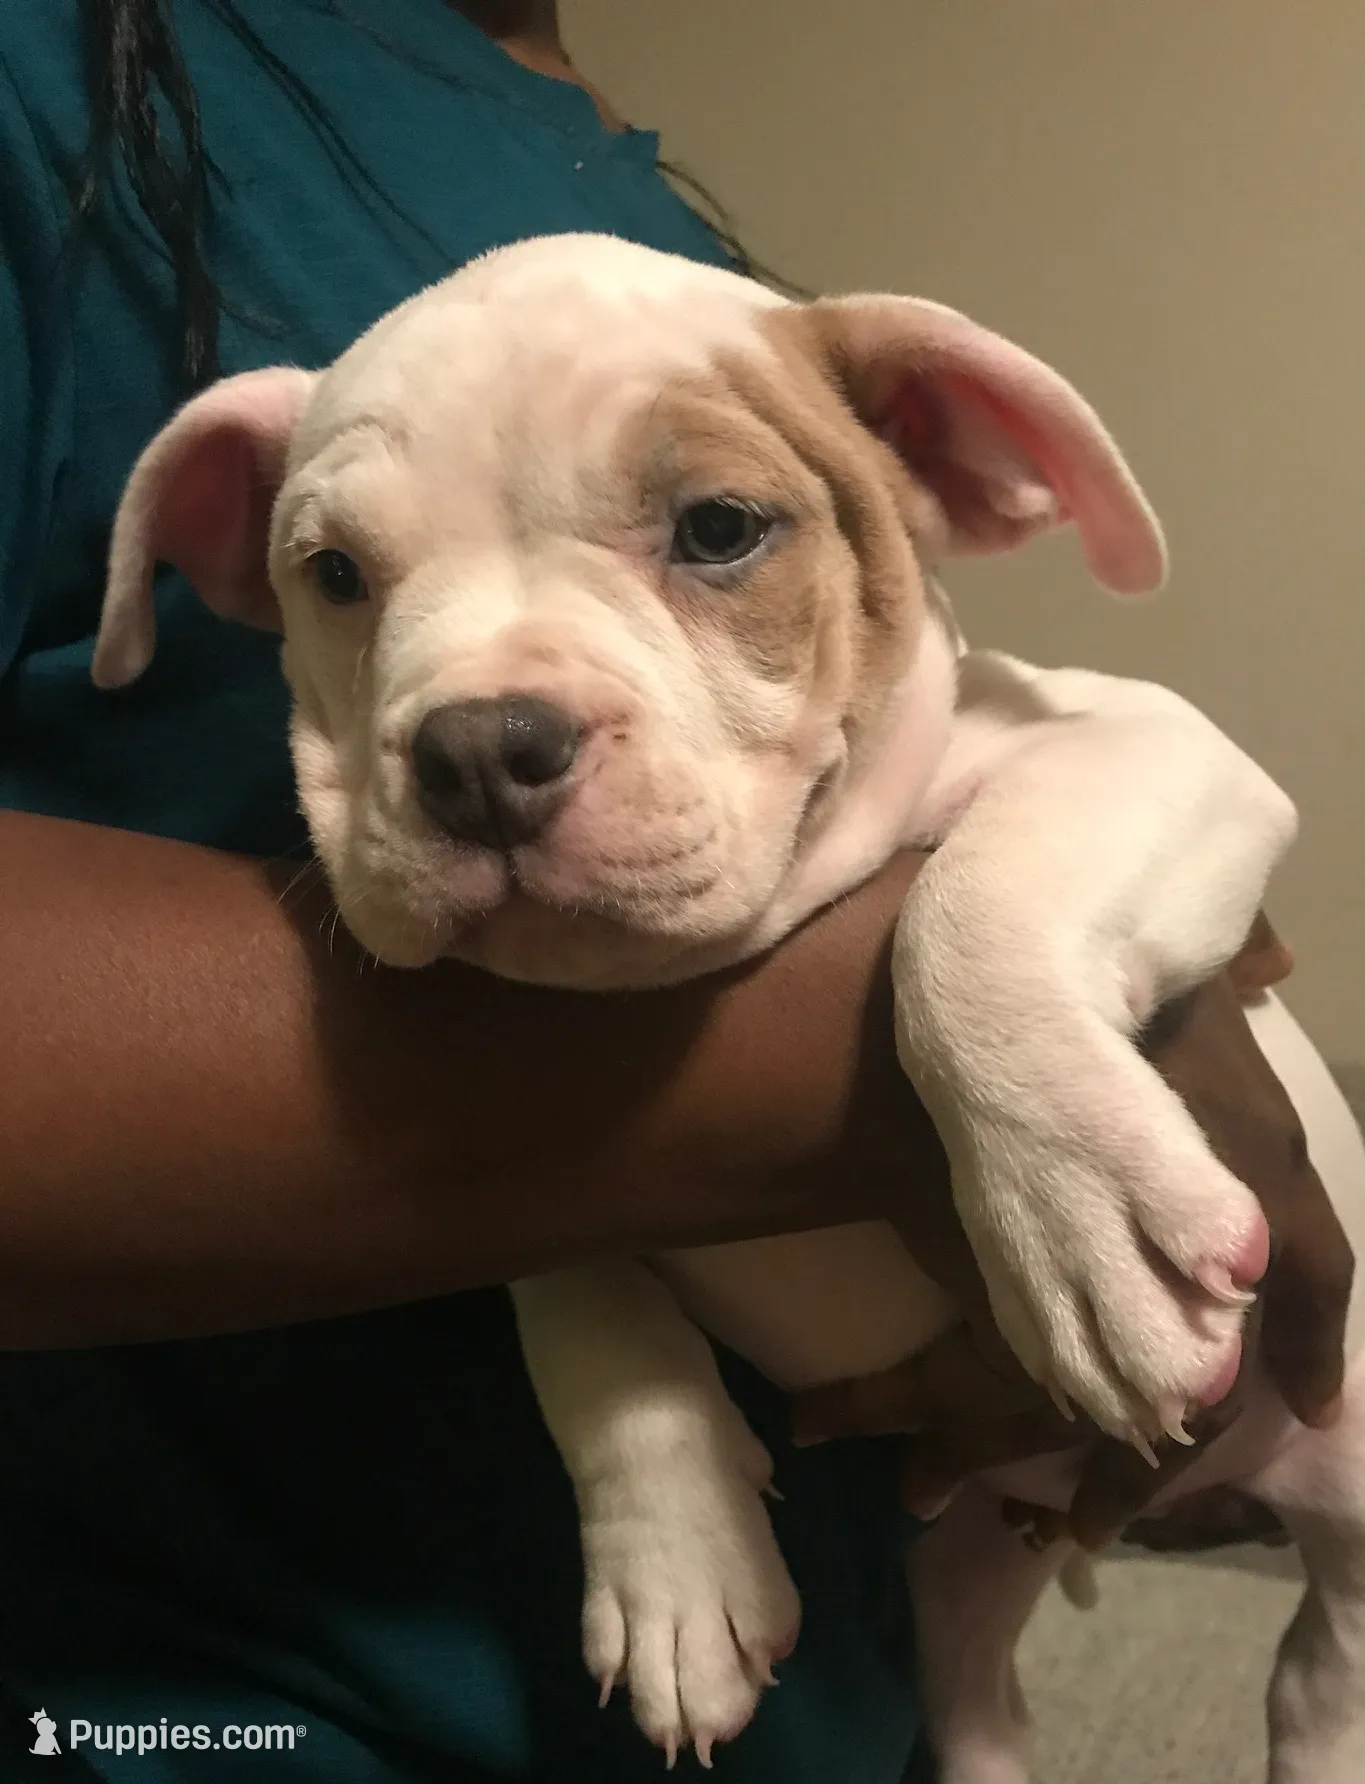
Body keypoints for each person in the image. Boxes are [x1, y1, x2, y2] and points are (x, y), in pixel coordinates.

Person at [0, 4, 1343, 1780]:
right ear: (229, 538)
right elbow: (523, 1158)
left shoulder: (601, 180)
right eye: (347, 573)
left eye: (708, 532)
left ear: (948, 446)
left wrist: (1011, 972)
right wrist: (899, 1078)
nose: (477, 721)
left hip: (853, 1588)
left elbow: (1185, 772)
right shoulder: (62, 81)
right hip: (251, 1688)